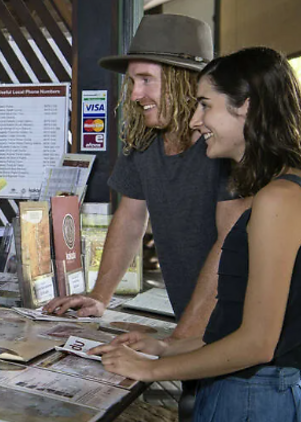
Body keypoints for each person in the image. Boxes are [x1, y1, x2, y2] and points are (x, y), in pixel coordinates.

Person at [92, 46, 301, 421]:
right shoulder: (278, 191)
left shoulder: (279, 198)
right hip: (237, 389)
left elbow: (258, 342)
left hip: (255, 395)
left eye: (205, 105)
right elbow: (238, 321)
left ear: (247, 107)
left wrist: (150, 370)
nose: (194, 120)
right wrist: (165, 348)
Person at [43, 15, 248, 342]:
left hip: (235, 334)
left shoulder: (224, 145)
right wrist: (99, 296)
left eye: (146, 79)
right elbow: (130, 217)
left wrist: (178, 342)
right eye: (132, 81)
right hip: (189, 323)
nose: (136, 94)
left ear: (184, 81)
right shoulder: (144, 140)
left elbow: (231, 245)